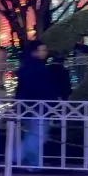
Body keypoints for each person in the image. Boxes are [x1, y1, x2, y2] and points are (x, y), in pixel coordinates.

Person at [16, 40, 59, 168]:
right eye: (43, 50)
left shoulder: (28, 67)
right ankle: (18, 157)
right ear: (35, 52)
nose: (45, 52)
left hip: (29, 107)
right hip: (38, 108)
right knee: (37, 136)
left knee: (35, 135)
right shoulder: (38, 68)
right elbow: (43, 88)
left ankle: (33, 164)